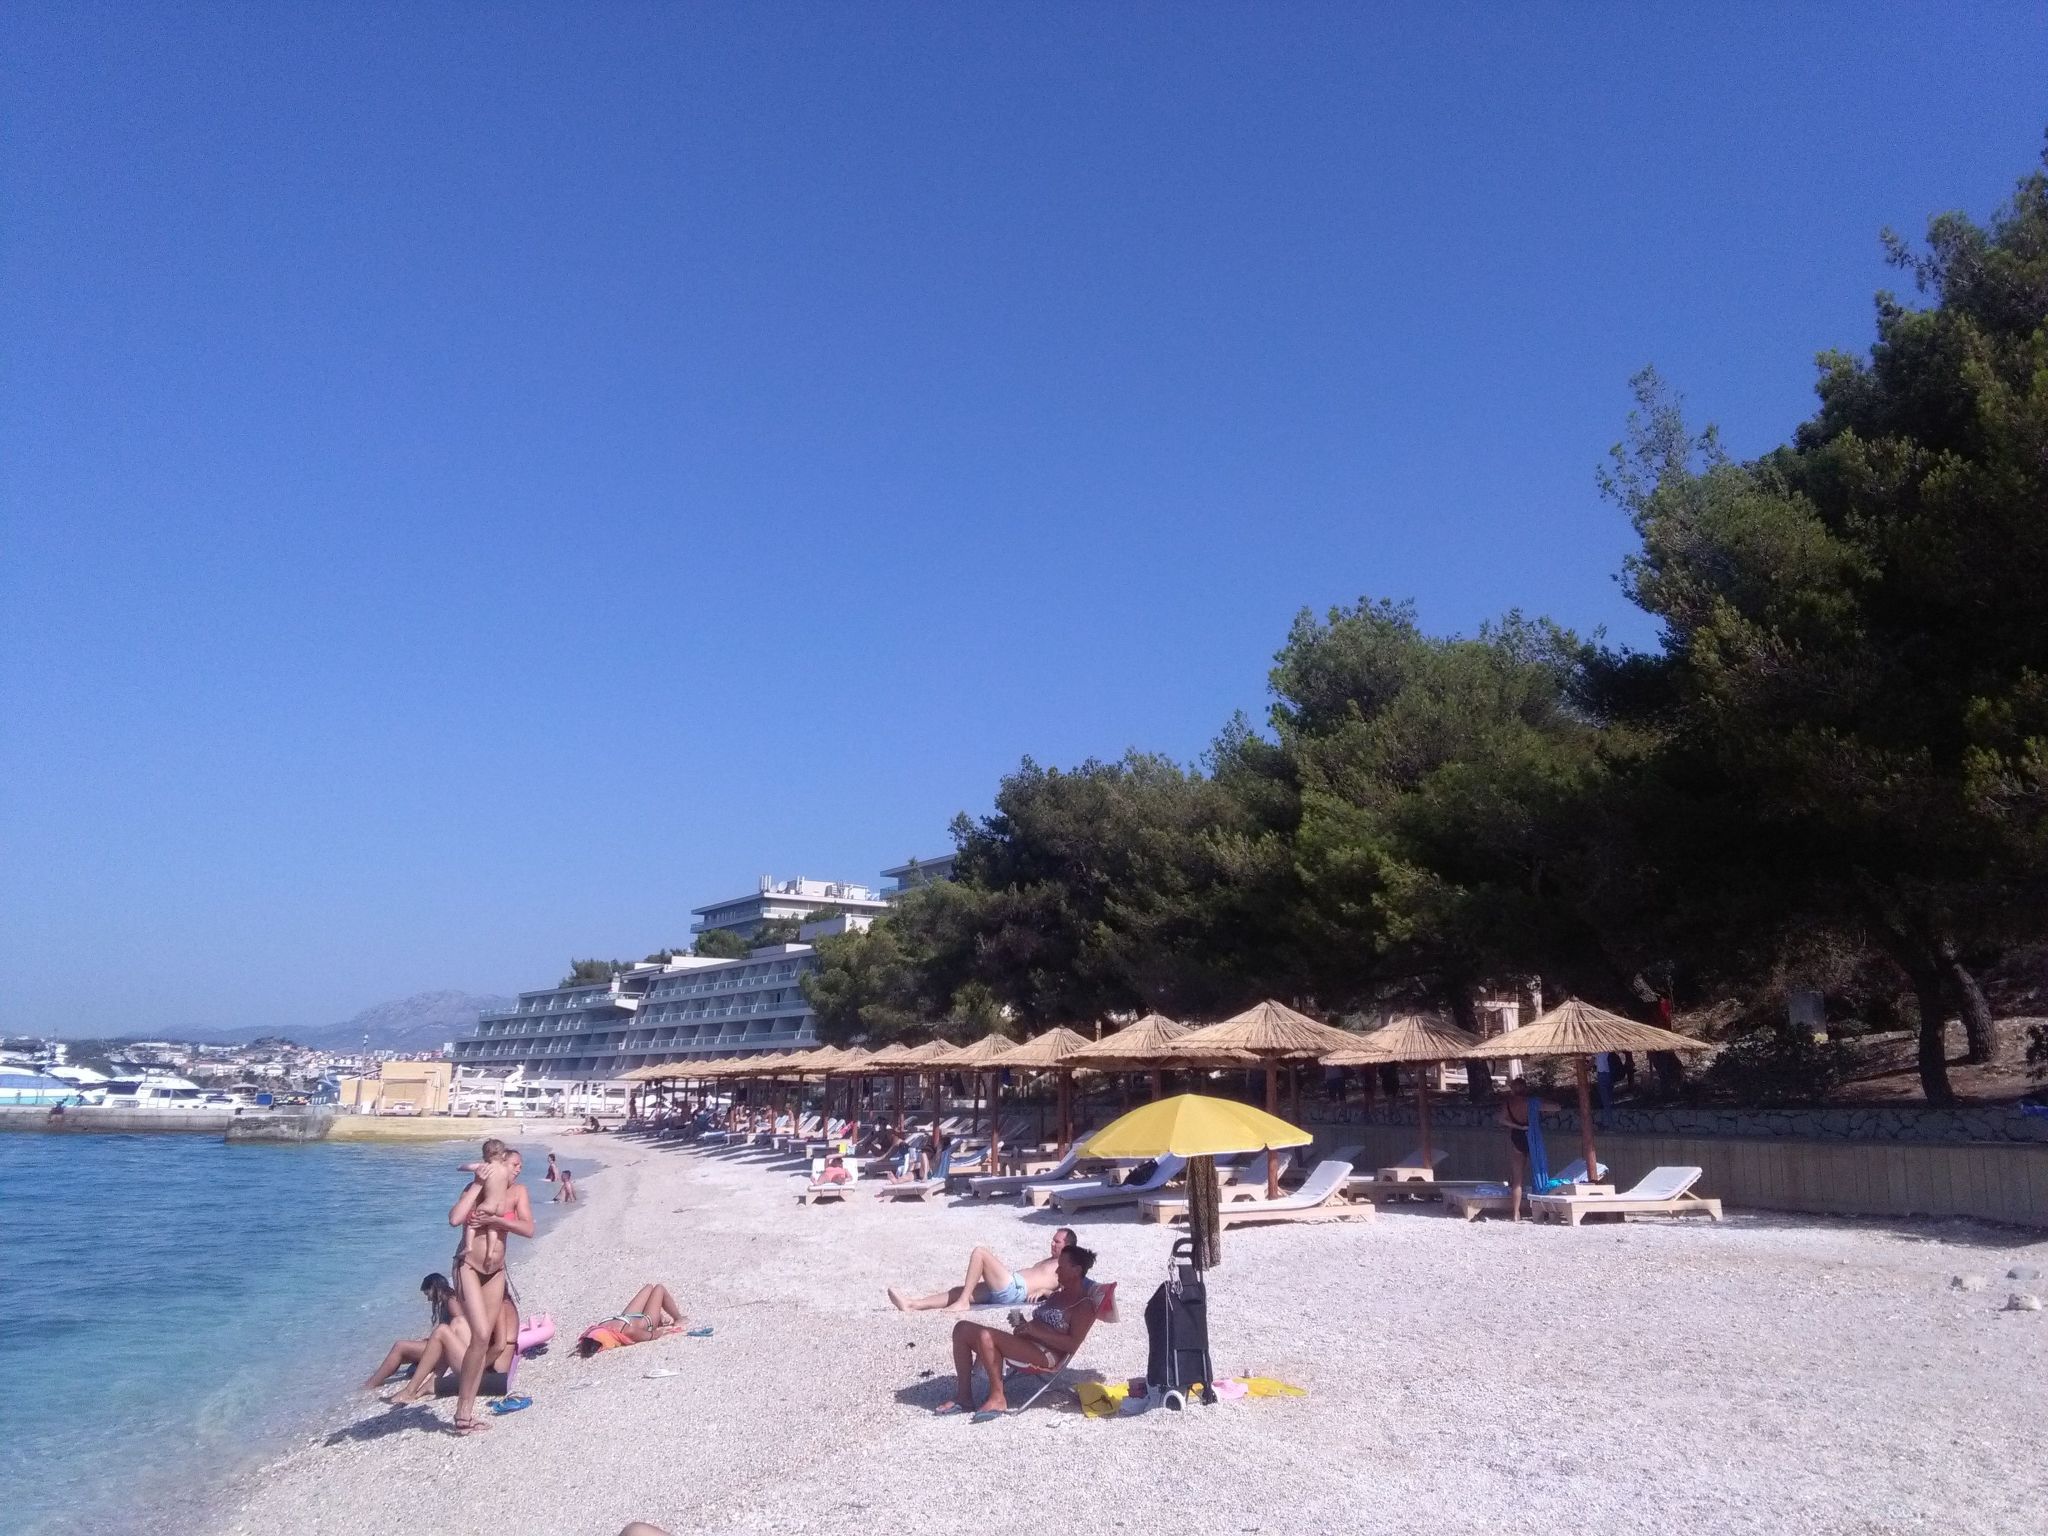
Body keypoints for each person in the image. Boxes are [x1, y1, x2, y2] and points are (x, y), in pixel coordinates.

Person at [938, 1243, 1099, 1418]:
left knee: (986, 1336)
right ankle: (964, 1397)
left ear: (1076, 1270)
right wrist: (1023, 1325)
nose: (1057, 1271)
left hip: (1046, 1355)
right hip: (1028, 1343)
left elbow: (1072, 1344)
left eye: (1061, 1267)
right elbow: (1040, 1324)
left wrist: (1035, 1332)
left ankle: (998, 1398)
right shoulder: (1057, 1296)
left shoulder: (1084, 1306)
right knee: (961, 1329)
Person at [447, 1144, 534, 1433]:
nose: (518, 1169)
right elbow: (455, 1219)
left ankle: (465, 1414)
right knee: (481, 1334)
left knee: (483, 1341)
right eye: (514, 1164)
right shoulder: (477, 1188)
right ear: (499, 1164)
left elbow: (529, 1229)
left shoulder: (518, 1193)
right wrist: (477, 1185)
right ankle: (462, 1414)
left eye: (521, 1165)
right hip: (468, 1268)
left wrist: (497, 1220)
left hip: (495, 1272)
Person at [888, 1228, 1076, 1312]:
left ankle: (963, 1303)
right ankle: (911, 1304)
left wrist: (1046, 1291)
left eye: (1056, 1241)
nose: (1052, 1243)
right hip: (1011, 1286)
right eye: (1052, 1240)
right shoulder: (1051, 1260)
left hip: (1014, 1289)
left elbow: (1069, 1295)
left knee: (980, 1253)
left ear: (1067, 1245)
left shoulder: (1065, 1265)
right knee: (959, 1291)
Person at [389, 1291, 520, 1404]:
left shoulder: (500, 1305)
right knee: (458, 1322)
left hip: (494, 1376)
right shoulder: (503, 1302)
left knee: (442, 1331)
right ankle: (433, 1379)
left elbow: (499, 1346)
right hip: (493, 1370)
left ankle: (410, 1391)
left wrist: (476, 1366)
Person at [362, 1273, 459, 1391]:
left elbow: (460, 1325)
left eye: (427, 1293)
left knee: (400, 1346)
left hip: (446, 1352)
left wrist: (440, 1342)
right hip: (444, 1348)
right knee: (401, 1356)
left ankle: (370, 1384)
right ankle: (377, 1380)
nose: (428, 1298)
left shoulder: (451, 1302)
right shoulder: (448, 1300)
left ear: (434, 1287)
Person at [575, 1283, 691, 1356]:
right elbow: (652, 1334)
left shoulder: (620, 1331)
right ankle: (678, 1318)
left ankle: (660, 1316)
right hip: (645, 1320)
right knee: (658, 1288)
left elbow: (652, 1335)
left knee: (650, 1287)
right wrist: (665, 1330)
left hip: (629, 1319)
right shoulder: (599, 1327)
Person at [1500, 1077, 1549, 1222]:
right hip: (1532, 1136)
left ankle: (1515, 1213)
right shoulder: (1532, 1103)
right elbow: (1556, 1107)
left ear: (1513, 1089)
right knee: (1539, 1172)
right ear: (1525, 1087)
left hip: (1518, 1136)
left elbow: (1501, 1119)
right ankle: (1540, 1211)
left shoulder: (1509, 1104)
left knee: (1517, 1180)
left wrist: (1519, 1127)